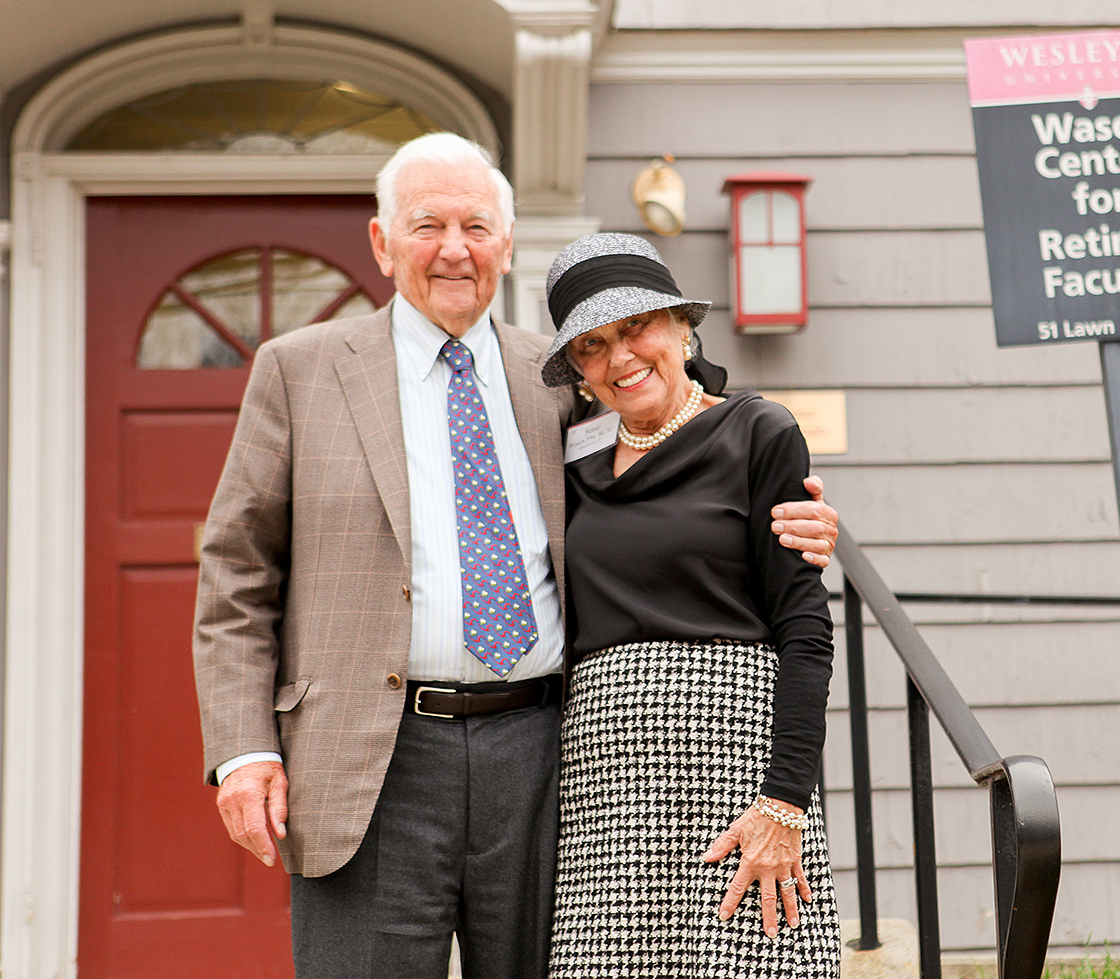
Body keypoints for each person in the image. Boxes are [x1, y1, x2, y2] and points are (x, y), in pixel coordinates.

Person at [192, 133, 839, 979]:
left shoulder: (565, 380)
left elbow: (671, 462)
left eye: (477, 226)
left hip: (549, 755)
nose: (454, 249)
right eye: (427, 225)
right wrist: (245, 750)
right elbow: (237, 571)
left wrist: (794, 515)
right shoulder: (300, 370)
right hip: (371, 756)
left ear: (506, 246)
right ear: (383, 243)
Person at [540, 233, 841, 978]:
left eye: (636, 328)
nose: (620, 359)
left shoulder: (757, 431)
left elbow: (804, 631)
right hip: (603, 778)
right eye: (593, 346)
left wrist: (784, 802)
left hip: (736, 764)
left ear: (681, 324)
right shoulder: (568, 456)